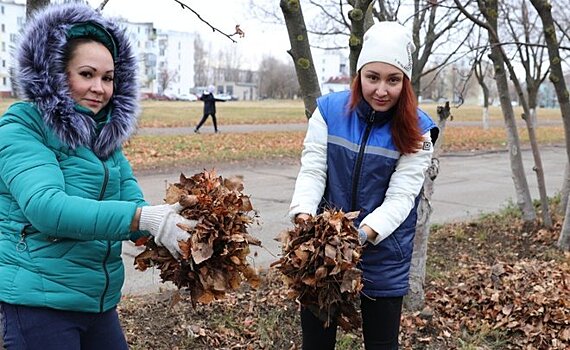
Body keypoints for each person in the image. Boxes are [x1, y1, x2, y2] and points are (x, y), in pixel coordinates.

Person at [0, 3, 195, 349]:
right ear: (56, 73)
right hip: (39, 303)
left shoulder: (105, 136)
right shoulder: (22, 126)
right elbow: (47, 208)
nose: (100, 89)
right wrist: (141, 218)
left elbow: (131, 202)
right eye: (87, 74)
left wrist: (172, 229)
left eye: (108, 78)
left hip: (98, 301)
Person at [288, 21, 439, 349]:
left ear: (405, 83)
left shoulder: (419, 129)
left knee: (382, 344)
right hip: (324, 253)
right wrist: (304, 217)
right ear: (359, 76)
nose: (381, 90)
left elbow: (401, 197)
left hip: (384, 253)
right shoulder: (328, 111)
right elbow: (313, 171)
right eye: (373, 77)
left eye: (393, 80)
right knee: (317, 342)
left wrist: (361, 236)